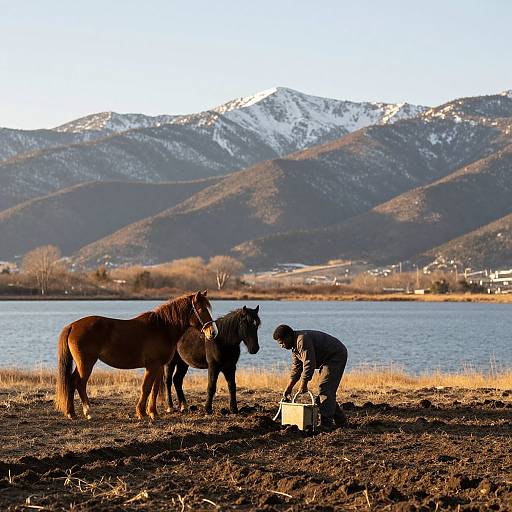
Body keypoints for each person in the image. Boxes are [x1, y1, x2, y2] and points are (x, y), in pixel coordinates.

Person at [273, 324, 348, 429]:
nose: (282, 346)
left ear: (288, 337)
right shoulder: (295, 348)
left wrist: (303, 384)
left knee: (325, 389)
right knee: (325, 392)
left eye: (282, 343)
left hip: (335, 356)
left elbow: (309, 363)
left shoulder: (302, 340)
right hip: (325, 360)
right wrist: (288, 388)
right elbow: (296, 369)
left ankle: (326, 425)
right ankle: (342, 422)